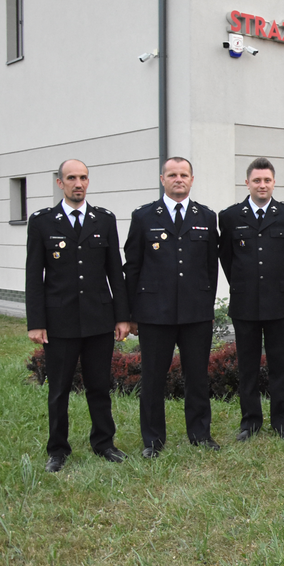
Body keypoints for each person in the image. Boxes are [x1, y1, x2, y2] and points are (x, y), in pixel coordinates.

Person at [25, 159, 130, 472]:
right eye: (71, 178)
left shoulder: (104, 219)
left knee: (99, 386)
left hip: (99, 318)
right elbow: (34, 275)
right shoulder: (43, 222)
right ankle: (58, 450)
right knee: (58, 390)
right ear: (60, 183)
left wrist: (122, 316)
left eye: (83, 177)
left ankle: (104, 443)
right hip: (60, 322)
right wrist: (36, 323)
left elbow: (115, 271)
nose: (78, 183)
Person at [123, 157, 220, 457]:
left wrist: (207, 305)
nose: (179, 179)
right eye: (172, 174)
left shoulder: (206, 216)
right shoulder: (143, 216)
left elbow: (211, 267)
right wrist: (131, 313)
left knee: (197, 376)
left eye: (184, 174)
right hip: (155, 312)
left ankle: (200, 434)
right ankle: (153, 440)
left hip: (195, 312)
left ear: (192, 179)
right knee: (153, 378)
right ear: (162, 179)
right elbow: (133, 266)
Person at [218, 157, 284, 442]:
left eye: (267, 180)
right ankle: (250, 422)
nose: (262, 185)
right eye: (257, 180)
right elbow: (226, 258)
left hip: (278, 302)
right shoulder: (230, 217)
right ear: (247, 183)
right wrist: (241, 285)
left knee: (280, 365)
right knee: (248, 367)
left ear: (274, 182)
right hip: (244, 304)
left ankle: (282, 422)